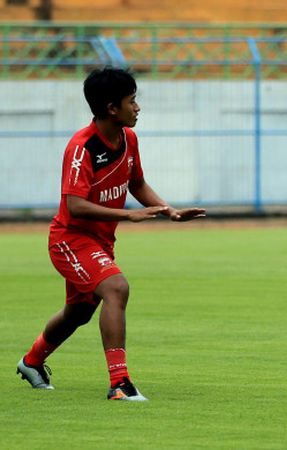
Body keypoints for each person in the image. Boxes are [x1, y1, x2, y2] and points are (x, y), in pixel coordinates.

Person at [15, 67, 206, 401]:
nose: (138, 107)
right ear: (110, 108)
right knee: (116, 288)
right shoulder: (81, 148)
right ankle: (120, 382)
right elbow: (75, 205)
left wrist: (168, 210)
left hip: (99, 243)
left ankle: (32, 362)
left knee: (79, 313)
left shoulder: (129, 139)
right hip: (70, 242)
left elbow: (137, 183)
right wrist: (128, 214)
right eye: (132, 100)